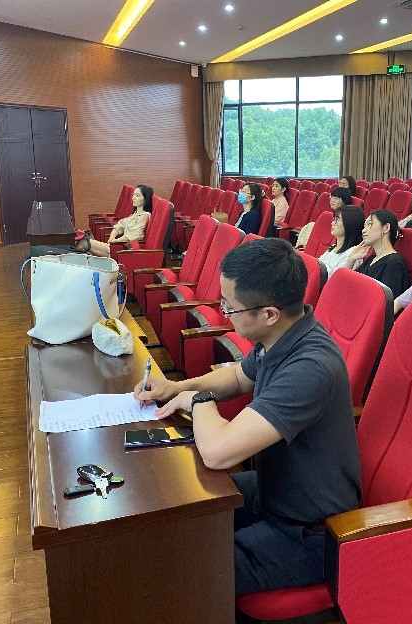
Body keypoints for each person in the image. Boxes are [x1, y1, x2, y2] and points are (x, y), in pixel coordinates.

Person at [136, 238, 361, 595]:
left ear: (269, 313)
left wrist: (199, 401)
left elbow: (218, 452)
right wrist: (176, 388)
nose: (222, 310)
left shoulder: (310, 367)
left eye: (230, 307)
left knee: (183, 569)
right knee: (179, 508)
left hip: (307, 532)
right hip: (274, 491)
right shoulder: (282, 334)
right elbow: (239, 377)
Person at [344, 209, 411, 298]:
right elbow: (348, 286)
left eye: (369, 224)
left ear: (386, 228)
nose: (363, 230)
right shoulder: (372, 258)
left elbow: (385, 301)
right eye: (364, 226)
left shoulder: (394, 264)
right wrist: (350, 260)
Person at [76, 185, 152, 257]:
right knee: (83, 242)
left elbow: (131, 236)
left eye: (137, 195)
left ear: (145, 199)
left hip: (123, 249)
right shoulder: (135, 214)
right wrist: (111, 237)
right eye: (133, 195)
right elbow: (120, 225)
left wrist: (115, 242)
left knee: (84, 243)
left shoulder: (144, 216)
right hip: (117, 245)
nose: (133, 198)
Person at [318, 205, 364, 275]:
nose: (332, 223)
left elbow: (335, 279)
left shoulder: (353, 254)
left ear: (349, 224)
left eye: (338, 219)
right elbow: (317, 266)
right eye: (334, 219)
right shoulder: (334, 247)